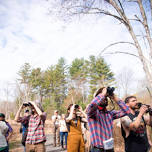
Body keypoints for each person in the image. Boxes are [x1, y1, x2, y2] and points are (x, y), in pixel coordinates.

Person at [87, 87, 130, 152]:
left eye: (106, 98)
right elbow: (93, 105)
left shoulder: (110, 114)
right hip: (97, 149)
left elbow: (127, 111)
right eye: (103, 97)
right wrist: (102, 94)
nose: (104, 99)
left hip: (110, 148)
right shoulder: (92, 113)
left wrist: (114, 97)